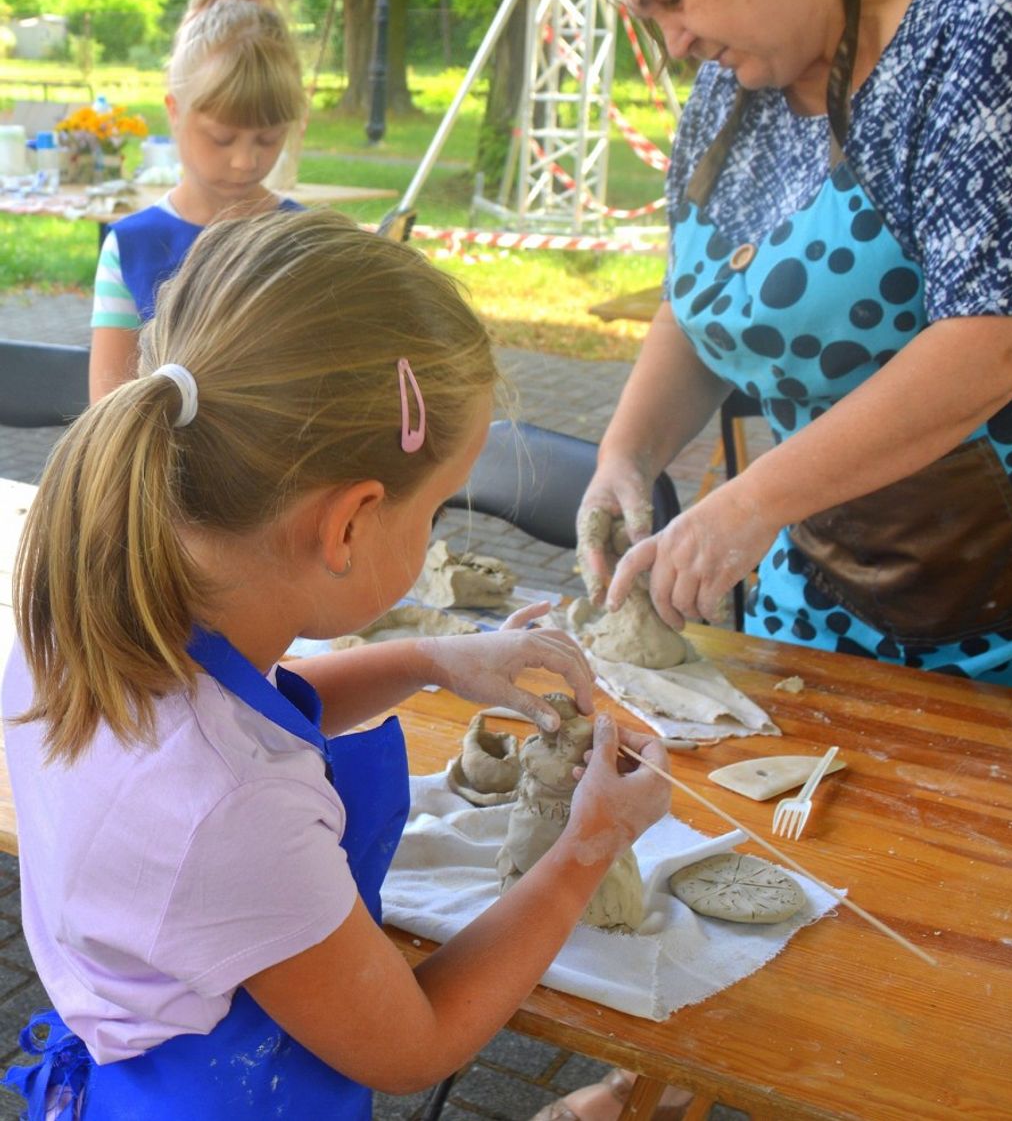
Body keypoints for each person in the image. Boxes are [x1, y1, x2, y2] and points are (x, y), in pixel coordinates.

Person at [3, 208, 671, 1120]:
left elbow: (250, 715)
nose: (437, 530)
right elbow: (418, 1043)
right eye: (435, 509)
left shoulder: (84, 608)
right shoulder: (233, 809)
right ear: (350, 524)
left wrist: (433, 658)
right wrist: (588, 845)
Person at [575, 0, 1012, 713]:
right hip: (836, 586)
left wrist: (747, 503)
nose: (675, 43)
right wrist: (627, 454)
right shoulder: (739, 79)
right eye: (652, 20)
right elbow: (702, 295)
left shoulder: (989, 21)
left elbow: (1000, 338)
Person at [88, 0, 308, 401]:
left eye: (268, 138)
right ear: (174, 110)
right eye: (221, 138)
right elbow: (107, 412)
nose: (246, 161)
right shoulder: (131, 249)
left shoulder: (305, 241)